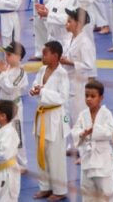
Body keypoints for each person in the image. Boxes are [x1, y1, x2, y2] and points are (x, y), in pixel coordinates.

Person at [30, 41, 69, 201]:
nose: (42, 56)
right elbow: (36, 84)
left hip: (55, 118)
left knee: (55, 155)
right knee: (42, 152)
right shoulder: (42, 70)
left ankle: (59, 190)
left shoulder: (62, 74)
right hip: (42, 115)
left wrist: (43, 92)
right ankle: (45, 187)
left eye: (45, 53)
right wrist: (34, 90)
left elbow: (62, 97)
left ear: (55, 55)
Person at [71, 80, 113, 201]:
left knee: (105, 191)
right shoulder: (83, 114)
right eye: (86, 96)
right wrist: (82, 134)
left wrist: (93, 131)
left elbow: (111, 132)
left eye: (93, 96)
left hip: (102, 159)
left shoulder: (106, 114)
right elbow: (75, 130)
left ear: (101, 97)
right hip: (87, 158)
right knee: (87, 191)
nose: (89, 99)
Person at [0, 42, 28, 170]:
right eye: (6, 54)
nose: (6, 57)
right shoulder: (6, 69)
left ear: (18, 57)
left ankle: (22, 164)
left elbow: (10, 88)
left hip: (14, 107)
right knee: (2, 133)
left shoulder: (21, 72)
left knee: (17, 134)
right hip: (2, 106)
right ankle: (6, 160)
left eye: (9, 55)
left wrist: (2, 74)